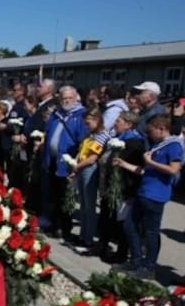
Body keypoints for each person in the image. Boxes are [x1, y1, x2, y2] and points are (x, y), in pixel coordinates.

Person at [115, 114, 183, 280]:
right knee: (130, 226)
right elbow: (146, 171)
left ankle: (149, 267)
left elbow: (173, 169)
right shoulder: (158, 145)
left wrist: (151, 162)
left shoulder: (173, 145)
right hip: (144, 191)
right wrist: (125, 164)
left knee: (150, 233)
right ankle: (136, 261)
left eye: (151, 131)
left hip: (155, 196)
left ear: (162, 129)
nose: (149, 135)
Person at [42, 86, 88, 240]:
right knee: (53, 195)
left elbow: (83, 140)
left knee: (66, 197)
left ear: (76, 99)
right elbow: (48, 132)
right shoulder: (56, 114)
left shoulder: (81, 116)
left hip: (68, 162)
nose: (66, 101)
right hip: (53, 160)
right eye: (63, 98)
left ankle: (64, 227)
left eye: (70, 98)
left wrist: (77, 162)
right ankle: (53, 224)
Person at [98, 110, 144, 264]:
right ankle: (103, 245)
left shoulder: (134, 142)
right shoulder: (117, 138)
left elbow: (131, 167)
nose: (115, 123)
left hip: (123, 188)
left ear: (128, 125)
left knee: (121, 222)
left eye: (119, 121)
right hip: (109, 187)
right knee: (107, 217)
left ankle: (121, 254)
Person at [69, 108, 107, 254]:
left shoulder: (102, 136)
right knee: (84, 204)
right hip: (82, 168)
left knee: (89, 207)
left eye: (88, 123)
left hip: (90, 169)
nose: (86, 126)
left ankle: (88, 239)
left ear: (97, 121)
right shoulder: (90, 135)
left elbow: (93, 158)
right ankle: (82, 236)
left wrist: (76, 167)